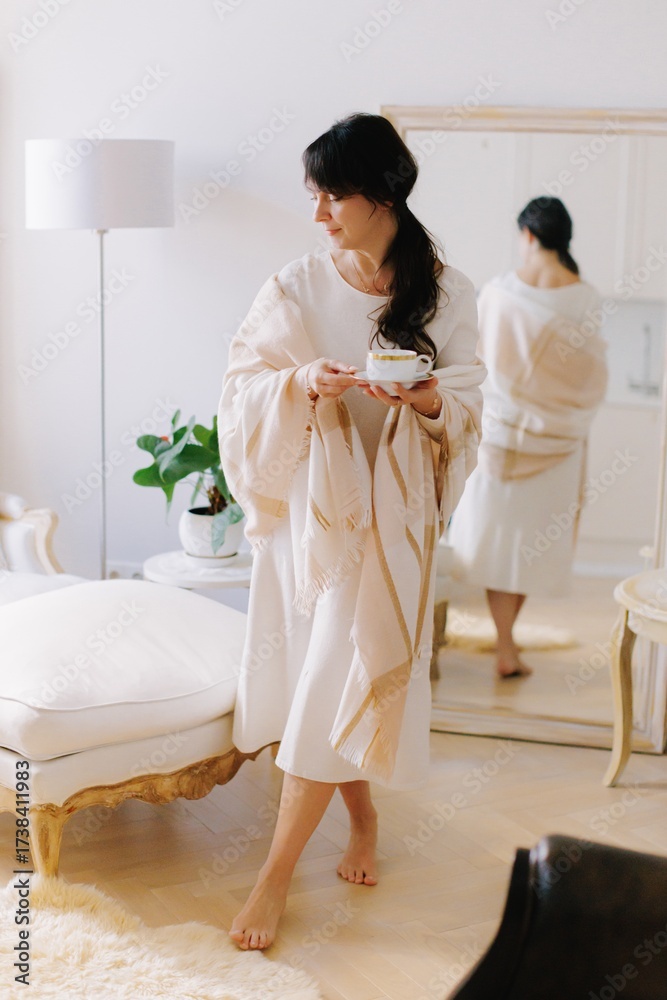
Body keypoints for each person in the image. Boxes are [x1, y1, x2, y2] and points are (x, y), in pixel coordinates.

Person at [217, 112, 485, 950]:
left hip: (394, 523)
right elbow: (240, 388)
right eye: (315, 195)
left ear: (384, 194)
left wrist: (427, 400)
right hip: (313, 518)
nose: (319, 213)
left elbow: (470, 402)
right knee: (325, 677)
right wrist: (302, 380)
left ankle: (272, 879)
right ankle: (362, 822)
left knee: (335, 667)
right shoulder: (293, 287)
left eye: (333, 196)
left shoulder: (450, 293)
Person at [448, 196, 608, 678]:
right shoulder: (585, 297)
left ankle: (504, 643)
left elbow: (472, 359)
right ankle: (507, 645)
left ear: (529, 235)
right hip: (559, 440)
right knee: (529, 546)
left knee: (498, 541)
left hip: (499, 436)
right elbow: (591, 377)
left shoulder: (499, 293)